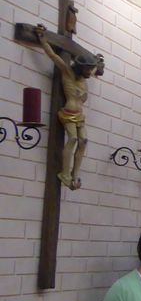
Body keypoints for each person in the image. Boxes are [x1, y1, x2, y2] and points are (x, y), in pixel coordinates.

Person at [37, 31, 99, 189]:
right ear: (80, 68)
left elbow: (94, 69)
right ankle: (65, 174)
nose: (90, 73)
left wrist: (98, 61)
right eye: (87, 70)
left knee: (83, 141)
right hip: (68, 112)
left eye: (90, 70)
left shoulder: (85, 76)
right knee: (72, 139)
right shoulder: (67, 72)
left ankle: (75, 173)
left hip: (80, 114)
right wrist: (44, 41)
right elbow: (53, 56)